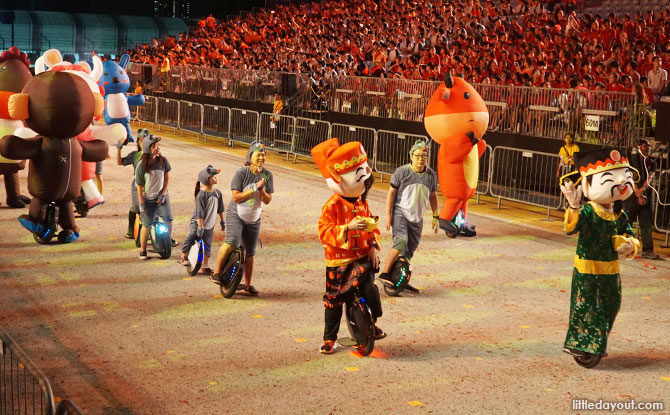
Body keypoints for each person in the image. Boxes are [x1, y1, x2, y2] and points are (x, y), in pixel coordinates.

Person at [560, 148, 641, 361]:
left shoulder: (619, 214)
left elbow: (630, 234)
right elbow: (570, 228)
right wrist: (574, 207)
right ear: (587, 185)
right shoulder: (588, 211)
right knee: (589, 309)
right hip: (588, 271)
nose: (623, 182)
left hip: (610, 272)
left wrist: (629, 244)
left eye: (626, 175)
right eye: (609, 177)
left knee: (611, 305)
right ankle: (582, 345)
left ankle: (593, 344)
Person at [311, 138, 385, 354]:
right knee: (334, 300)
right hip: (339, 262)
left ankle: (371, 323)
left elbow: (372, 227)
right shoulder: (332, 205)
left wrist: (373, 246)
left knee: (370, 290)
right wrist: (347, 228)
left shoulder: (362, 202)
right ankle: (329, 338)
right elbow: (325, 232)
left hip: (362, 257)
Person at [211, 142, 273, 295]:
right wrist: (253, 188)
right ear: (250, 156)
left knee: (250, 253)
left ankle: (247, 285)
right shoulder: (242, 173)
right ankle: (217, 272)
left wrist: (262, 191)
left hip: (253, 217)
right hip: (236, 214)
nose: (261, 158)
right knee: (232, 241)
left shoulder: (267, 175)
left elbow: (267, 200)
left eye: (263, 155)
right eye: (258, 155)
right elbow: (236, 197)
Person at [378, 140, 438, 293]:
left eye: (424, 156)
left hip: (417, 217)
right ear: (411, 156)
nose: (420, 159)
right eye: (417, 156)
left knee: (409, 251)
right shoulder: (402, 172)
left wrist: (435, 216)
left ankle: (401, 279)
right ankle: (385, 273)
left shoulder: (430, 175)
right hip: (401, 213)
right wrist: (388, 214)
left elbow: (433, 196)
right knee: (401, 241)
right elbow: (391, 192)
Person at [135, 135, 177, 260]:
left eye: (158, 145)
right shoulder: (141, 166)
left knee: (168, 219)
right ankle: (143, 250)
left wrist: (164, 193)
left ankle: (168, 240)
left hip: (161, 197)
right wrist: (142, 203)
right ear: (148, 148)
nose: (157, 148)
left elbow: (167, 177)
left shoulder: (163, 161)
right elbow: (139, 186)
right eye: (154, 146)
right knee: (147, 224)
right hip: (148, 199)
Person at [178, 165, 226, 273]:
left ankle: (205, 265)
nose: (216, 178)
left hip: (209, 223)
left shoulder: (218, 193)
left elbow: (220, 209)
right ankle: (183, 256)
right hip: (197, 222)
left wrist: (223, 221)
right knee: (191, 235)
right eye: (213, 176)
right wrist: (200, 226)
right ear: (207, 180)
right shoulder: (201, 195)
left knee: (208, 244)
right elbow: (199, 213)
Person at [624, 139, 662, 260]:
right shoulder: (633, 160)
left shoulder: (652, 163)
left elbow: (649, 178)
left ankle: (647, 250)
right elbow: (630, 175)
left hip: (645, 196)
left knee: (646, 224)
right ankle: (625, 246)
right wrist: (637, 192)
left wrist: (641, 192)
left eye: (650, 147)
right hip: (632, 197)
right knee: (627, 222)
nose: (648, 148)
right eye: (646, 146)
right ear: (640, 146)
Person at [116, 128, 149, 239]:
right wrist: (118, 149)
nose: (143, 143)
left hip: (150, 184)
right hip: (137, 184)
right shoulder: (135, 155)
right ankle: (131, 229)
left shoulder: (154, 154)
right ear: (138, 141)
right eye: (141, 140)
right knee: (136, 206)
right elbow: (120, 162)